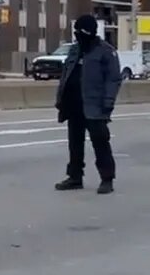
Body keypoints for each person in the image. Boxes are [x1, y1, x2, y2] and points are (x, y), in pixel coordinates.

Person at [52, 14, 121, 193]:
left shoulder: (105, 51)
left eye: (80, 32)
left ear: (89, 32)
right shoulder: (75, 50)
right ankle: (75, 176)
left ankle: (107, 178)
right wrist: (61, 98)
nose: (77, 36)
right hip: (74, 104)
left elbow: (113, 79)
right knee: (75, 143)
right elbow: (66, 74)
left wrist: (108, 103)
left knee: (100, 142)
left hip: (95, 106)